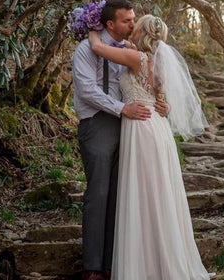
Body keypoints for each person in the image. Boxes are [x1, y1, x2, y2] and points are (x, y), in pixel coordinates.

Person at [88, 14, 213, 280]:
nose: (131, 27)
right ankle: (161, 260)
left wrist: (89, 26)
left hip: (141, 128)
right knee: (156, 193)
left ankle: (144, 265)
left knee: (143, 192)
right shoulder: (156, 61)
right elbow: (161, 99)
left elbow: (98, 48)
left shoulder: (138, 59)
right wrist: (163, 105)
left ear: (142, 31)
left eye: (136, 24)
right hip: (157, 128)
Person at [72, 0, 168, 280]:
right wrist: (122, 108)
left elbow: (154, 85)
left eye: (134, 20)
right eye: (127, 20)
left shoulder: (131, 50)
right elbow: (87, 90)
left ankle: (115, 262)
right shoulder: (85, 50)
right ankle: (92, 267)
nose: (132, 24)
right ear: (111, 23)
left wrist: (161, 104)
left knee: (122, 193)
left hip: (130, 125)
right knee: (99, 193)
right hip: (98, 122)